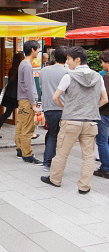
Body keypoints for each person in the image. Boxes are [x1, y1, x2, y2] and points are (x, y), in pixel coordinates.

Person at [41, 46, 108, 194]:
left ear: (77, 60)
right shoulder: (98, 76)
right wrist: (92, 108)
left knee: (62, 152)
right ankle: (84, 187)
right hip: (90, 121)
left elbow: (55, 97)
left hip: (71, 120)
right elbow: (105, 99)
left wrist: (65, 107)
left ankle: (55, 179)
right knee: (88, 156)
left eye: (69, 59)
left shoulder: (69, 76)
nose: (67, 62)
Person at [39, 46, 68, 172]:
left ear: (54, 57)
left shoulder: (44, 70)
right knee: (57, 135)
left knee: (52, 132)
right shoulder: (68, 72)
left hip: (48, 107)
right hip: (63, 107)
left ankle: (47, 160)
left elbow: (41, 87)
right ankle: (49, 161)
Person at [15, 40, 42, 164]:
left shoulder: (23, 64)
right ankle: (27, 155)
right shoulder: (27, 65)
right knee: (27, 129)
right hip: (27, 101)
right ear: (32, 50)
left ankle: (20, 149)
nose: (38, 51)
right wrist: (34, 105)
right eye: (37, 49)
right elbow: (29, 87)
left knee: (21, 126)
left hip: (22, 100)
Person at [0, 52, 24, 138]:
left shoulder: (12, 69)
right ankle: (28, 132)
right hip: (18, 95)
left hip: (10, 94)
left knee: (7, 113)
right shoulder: (21, 70)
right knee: (25, 112)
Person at [94, 50, 109, 178]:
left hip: (105, 113)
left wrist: (95, 108)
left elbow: (105, 98)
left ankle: (105, 168)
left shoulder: (107, 77)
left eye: (103, 63)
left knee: (102, 140)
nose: (102, 65)